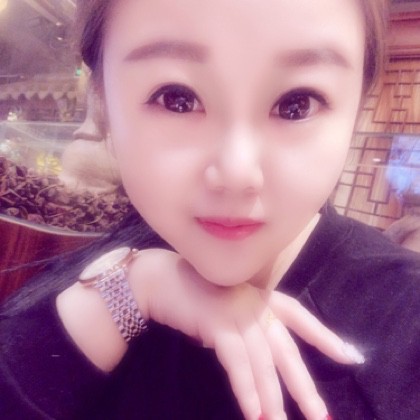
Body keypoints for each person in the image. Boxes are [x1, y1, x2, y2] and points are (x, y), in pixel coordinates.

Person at [0, 0, 419, 419]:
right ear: (103, 100)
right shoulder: (103, 264)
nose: (237, 173)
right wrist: (128, 292)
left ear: (356, 109)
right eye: (177, 98)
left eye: (297, 104)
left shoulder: (405, 322)